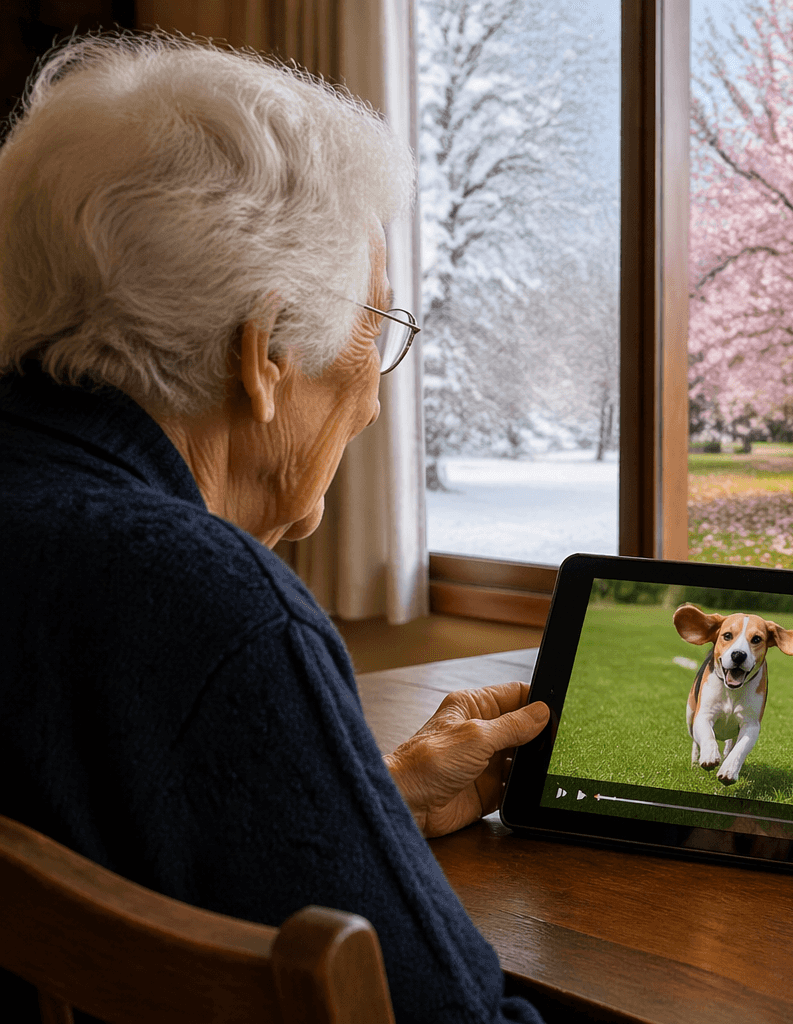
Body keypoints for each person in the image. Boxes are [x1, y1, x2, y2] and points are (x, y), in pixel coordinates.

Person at [0, 34, 551, 1024]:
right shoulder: (203, 602)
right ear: (261, 354)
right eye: (375, 329)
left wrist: (360, 799)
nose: (376, 402)